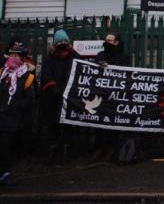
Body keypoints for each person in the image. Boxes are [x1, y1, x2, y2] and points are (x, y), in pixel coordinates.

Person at [40, 29, 81, 165]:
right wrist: (54, 88)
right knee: (52, 126)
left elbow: (82, 66)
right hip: (52, 98)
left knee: (68, 125)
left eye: (65, 44)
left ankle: (67, 153)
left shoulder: (73, 57)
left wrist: (71, 49)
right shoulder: (49, 59)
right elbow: (45, 76)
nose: (62, 47)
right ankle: (52, 154)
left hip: (68, 98)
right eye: (60, 44)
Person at [89, 32, 131, 163]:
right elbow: (93, 71)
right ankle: (99, 148)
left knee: (112, 123)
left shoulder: (124, 57)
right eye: (106, 40)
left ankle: (111, 149)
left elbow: (127, 73)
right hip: (101, 94)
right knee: (99, 123)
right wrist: (99, 65)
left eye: (110, 40)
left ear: (117, 42)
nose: (107, 42)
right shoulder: (100, 55)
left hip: (116, 94)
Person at [0, 43, 36, 186]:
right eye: (11, 55)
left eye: (16, 56)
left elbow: (31, 100)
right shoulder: (2, 72)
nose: (13, 58)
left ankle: (5, 172)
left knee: (6, 146)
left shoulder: (27, 76)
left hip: (12, 119)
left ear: (22, 58)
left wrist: (13, 106)